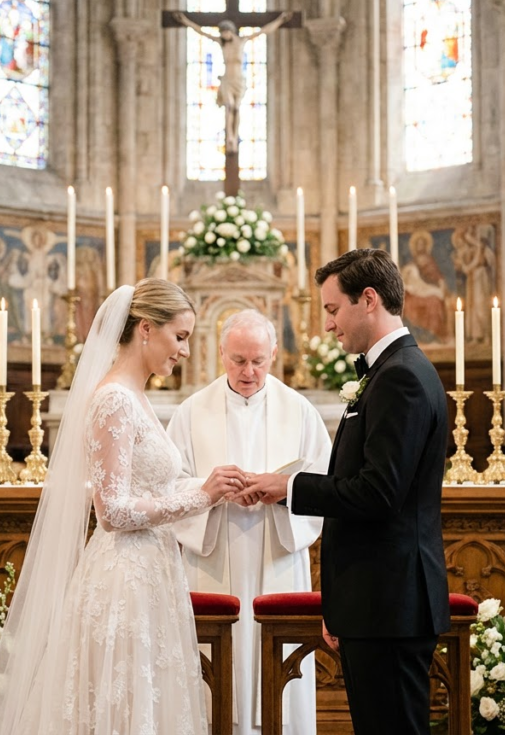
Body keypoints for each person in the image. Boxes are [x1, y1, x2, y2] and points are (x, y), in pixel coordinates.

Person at [0, 278, 247, 735]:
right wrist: (204, 496)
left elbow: (153, 481)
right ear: (144, 329)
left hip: (151, 568)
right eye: (179, 337)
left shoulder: (136, 395)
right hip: (124, 576)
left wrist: (218, 483)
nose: (184, 352)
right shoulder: (113, 399)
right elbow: (113, 511)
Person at [244, 249, 451, 735]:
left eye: (333, 309)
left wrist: (288, 487)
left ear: (369, 300)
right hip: (375, 603)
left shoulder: (400, 377)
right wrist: (340, 604)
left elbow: (379, 493)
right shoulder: (386, 372)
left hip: (390, 604)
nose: (330, 325)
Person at [167, 309, 330, 735]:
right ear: (220, 353)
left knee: (276, 676)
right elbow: (167, 485)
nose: (249, 371)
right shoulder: (190, 412)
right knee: (212, 682)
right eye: (238, 360)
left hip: (276, 556)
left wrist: (279, 490)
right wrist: (210, 489)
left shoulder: (300, 411)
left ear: (274, 354)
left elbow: (325, 485)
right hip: (212, 556)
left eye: (258, 360)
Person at [173, 11, 292, 153]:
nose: (223, 35)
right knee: (229, 106)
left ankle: (235, 136)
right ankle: (229, 136)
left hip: (239, 80)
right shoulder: (221, 43)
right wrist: (185, 21)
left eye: (225, 32)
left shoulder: (242, 41)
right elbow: (201, 32)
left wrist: (280, 20)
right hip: (227, 79)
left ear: (231, 31)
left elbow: (264, 30)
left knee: (236, 108)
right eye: (222, 33)